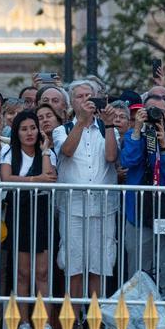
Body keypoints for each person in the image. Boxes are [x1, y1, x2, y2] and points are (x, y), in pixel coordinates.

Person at [52, 81, 119, 313]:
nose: (85, 100)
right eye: (80, 96)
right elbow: (67, 150)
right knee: (74, 264)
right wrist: (80, 122)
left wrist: (109, 125)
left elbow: (111, 157)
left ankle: (96, 318)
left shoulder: (107, 128)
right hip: (72, 207)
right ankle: (75, 318)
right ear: (72, 102)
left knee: (100, 264)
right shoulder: (61, 129)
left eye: (89, 95)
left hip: (104, 206)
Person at [0, 111, 57, 329]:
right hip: (19, 212)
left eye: (33, 128)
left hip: (41, 212)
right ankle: (24, 324)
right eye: (24, 129)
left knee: (42, 273)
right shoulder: (8, 152)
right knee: (22, 273)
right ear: (17, 132)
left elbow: (49, 177)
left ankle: (44, 324)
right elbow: (7, 177)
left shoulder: (47, 152)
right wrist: (34, 180)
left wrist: (45, 150)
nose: (29, 133)